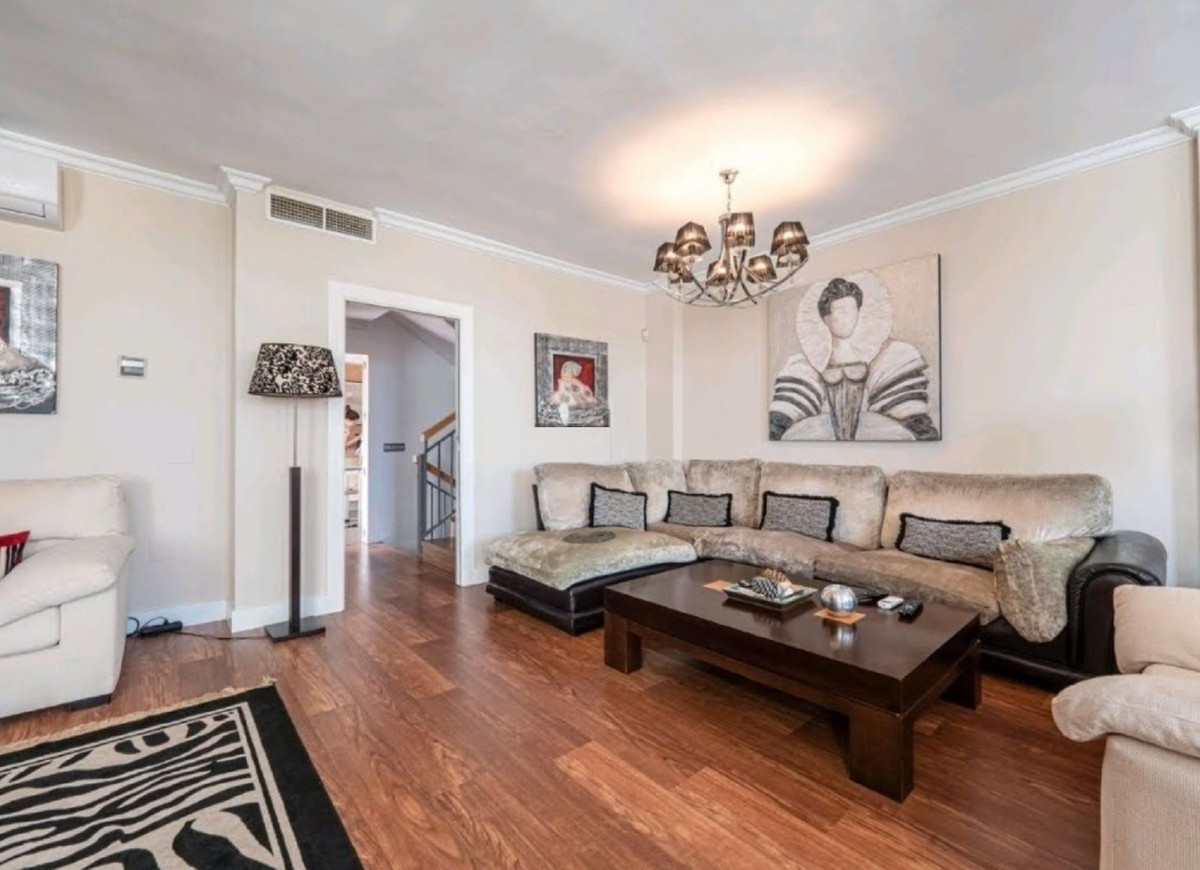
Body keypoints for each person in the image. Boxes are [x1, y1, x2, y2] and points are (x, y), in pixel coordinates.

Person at [769, 277, 938, 441]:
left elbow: (918, 427)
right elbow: (779, 423)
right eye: (841, 312)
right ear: (826, 318)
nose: (848, 318)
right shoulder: (801, 368)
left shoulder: (891, 359)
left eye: (853, 310)